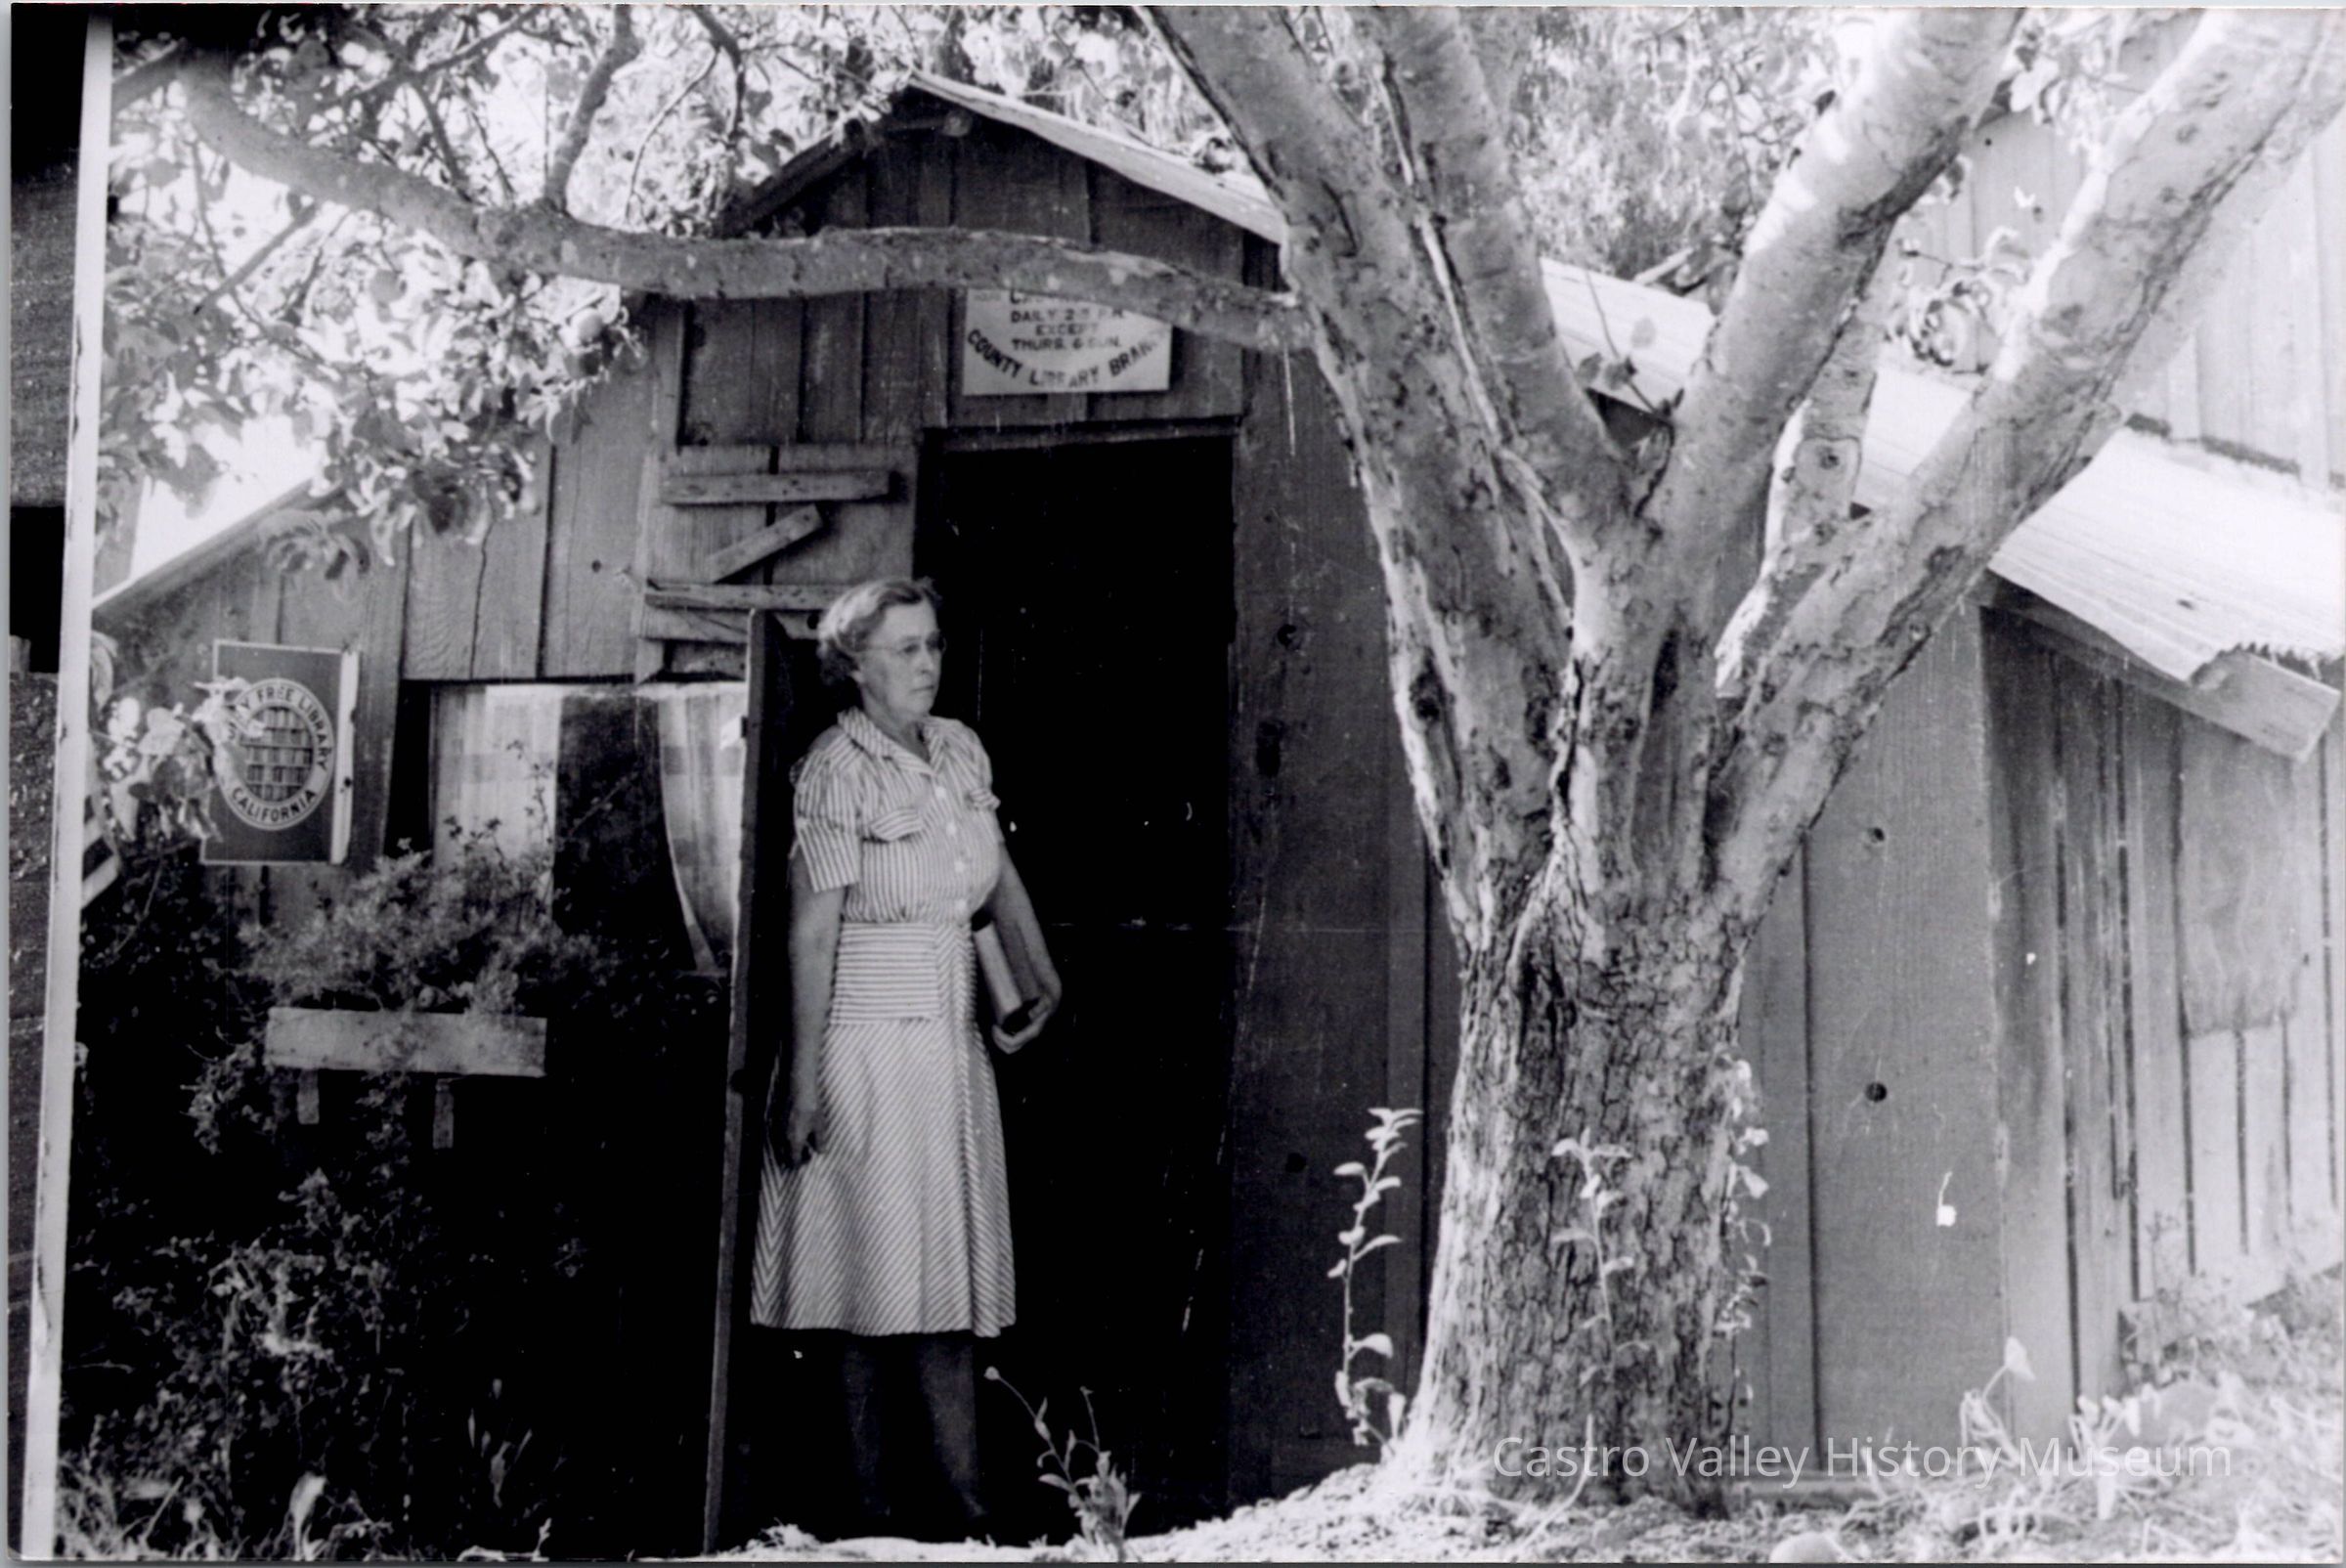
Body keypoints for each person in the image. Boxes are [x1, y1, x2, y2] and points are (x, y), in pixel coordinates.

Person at [748, 576, 1061, 1542]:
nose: (928, 664)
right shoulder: (834, 770)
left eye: (933, 644)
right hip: (864, 1048)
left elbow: (995, 876)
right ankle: (873, 1515)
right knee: (865, 1282)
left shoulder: (959, 748)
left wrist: (1043, 975)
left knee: (945, 1287)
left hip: (949, 1053)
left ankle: (969, 1515)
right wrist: (804, 1082)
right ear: (854, 664)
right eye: (906, 649)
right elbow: (811, 935)